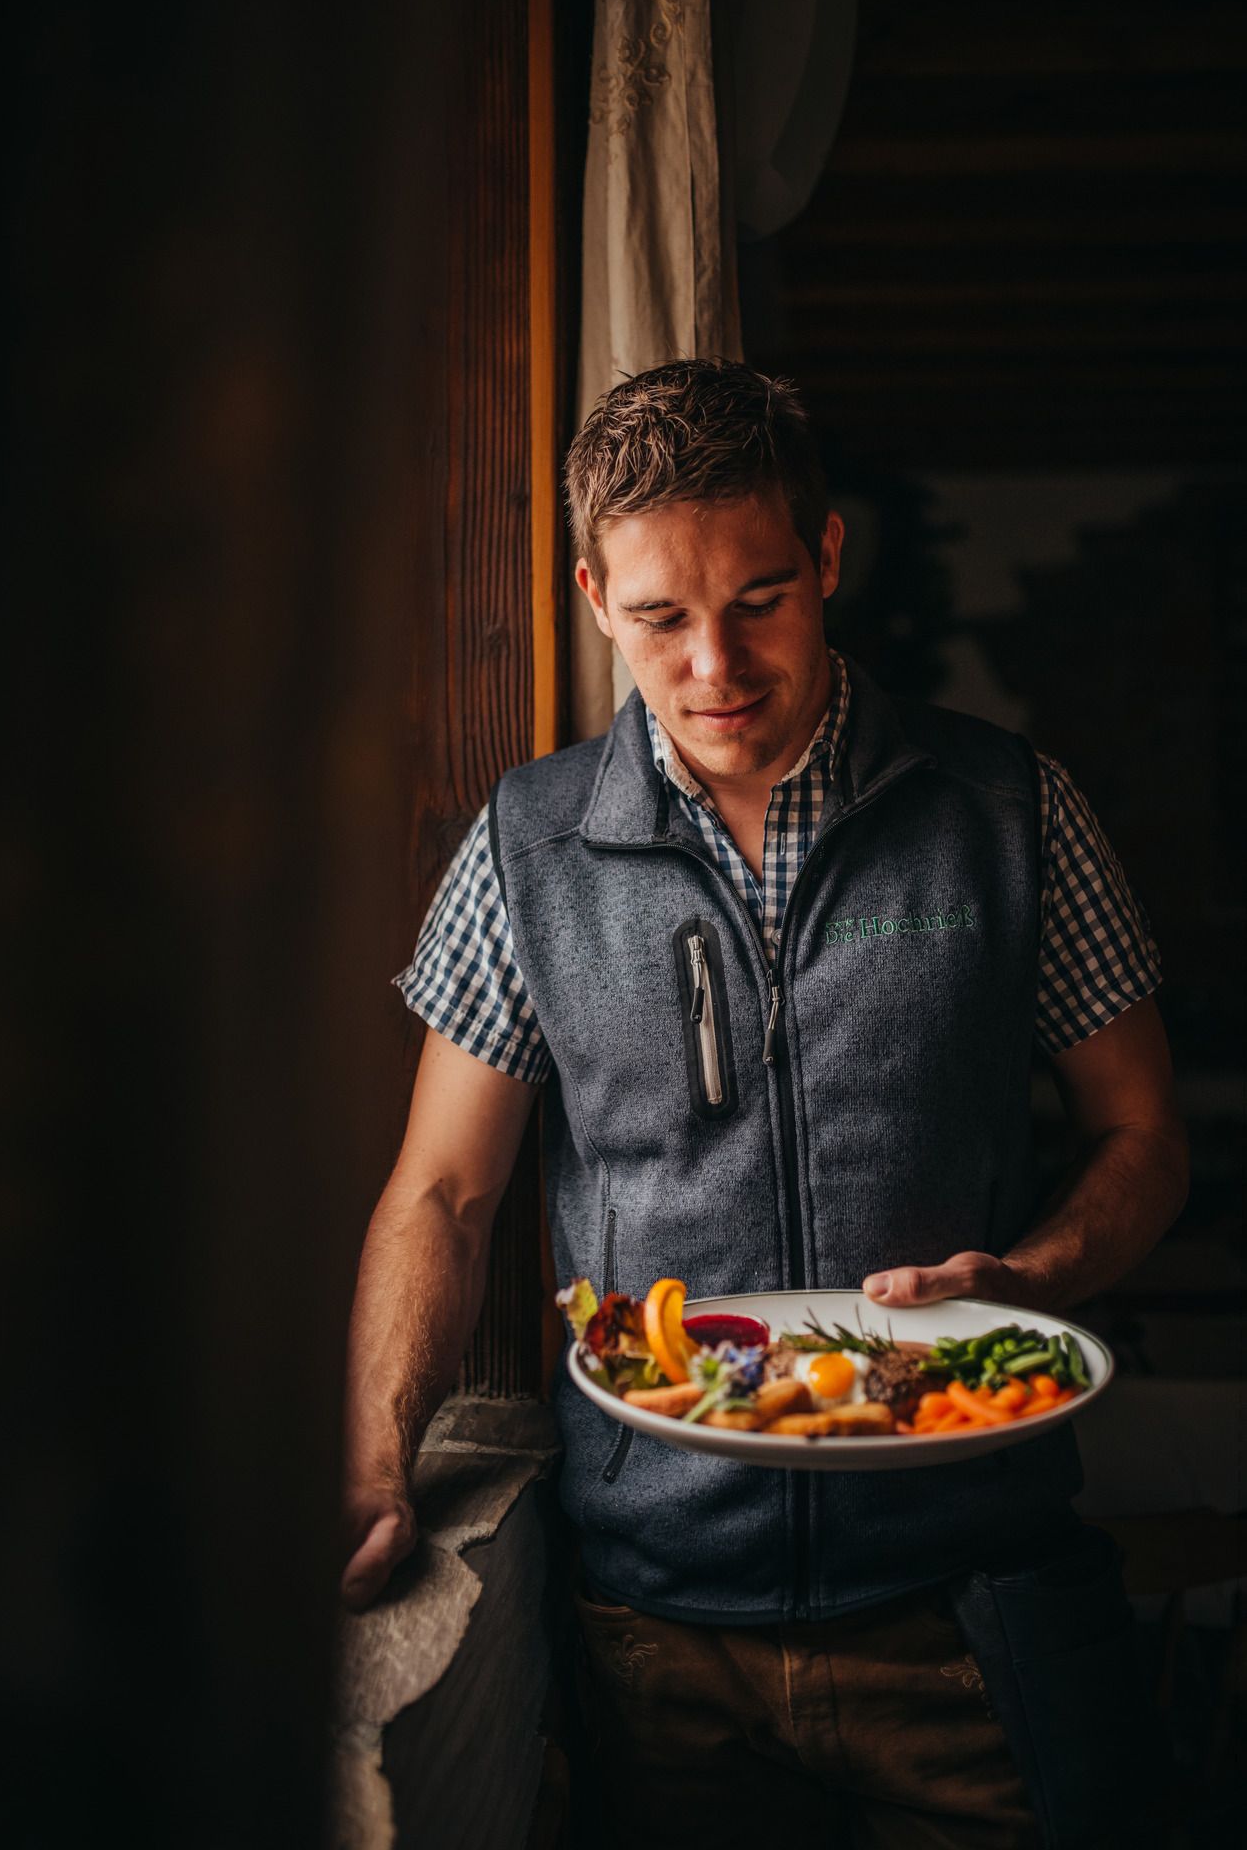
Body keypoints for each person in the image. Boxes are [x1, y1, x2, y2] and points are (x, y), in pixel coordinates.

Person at [341, 360, 1187, 1846]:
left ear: (830, 559)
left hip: (971, 1619)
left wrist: (1036, 1277)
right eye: (661, 618)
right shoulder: (525, 848)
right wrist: (372, 1462)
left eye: (761, 599)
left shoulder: (1009, 810)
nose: (714, 666)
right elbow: (442, 1193)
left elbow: (1140, 1134)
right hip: (652, 1641)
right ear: (597, 595)